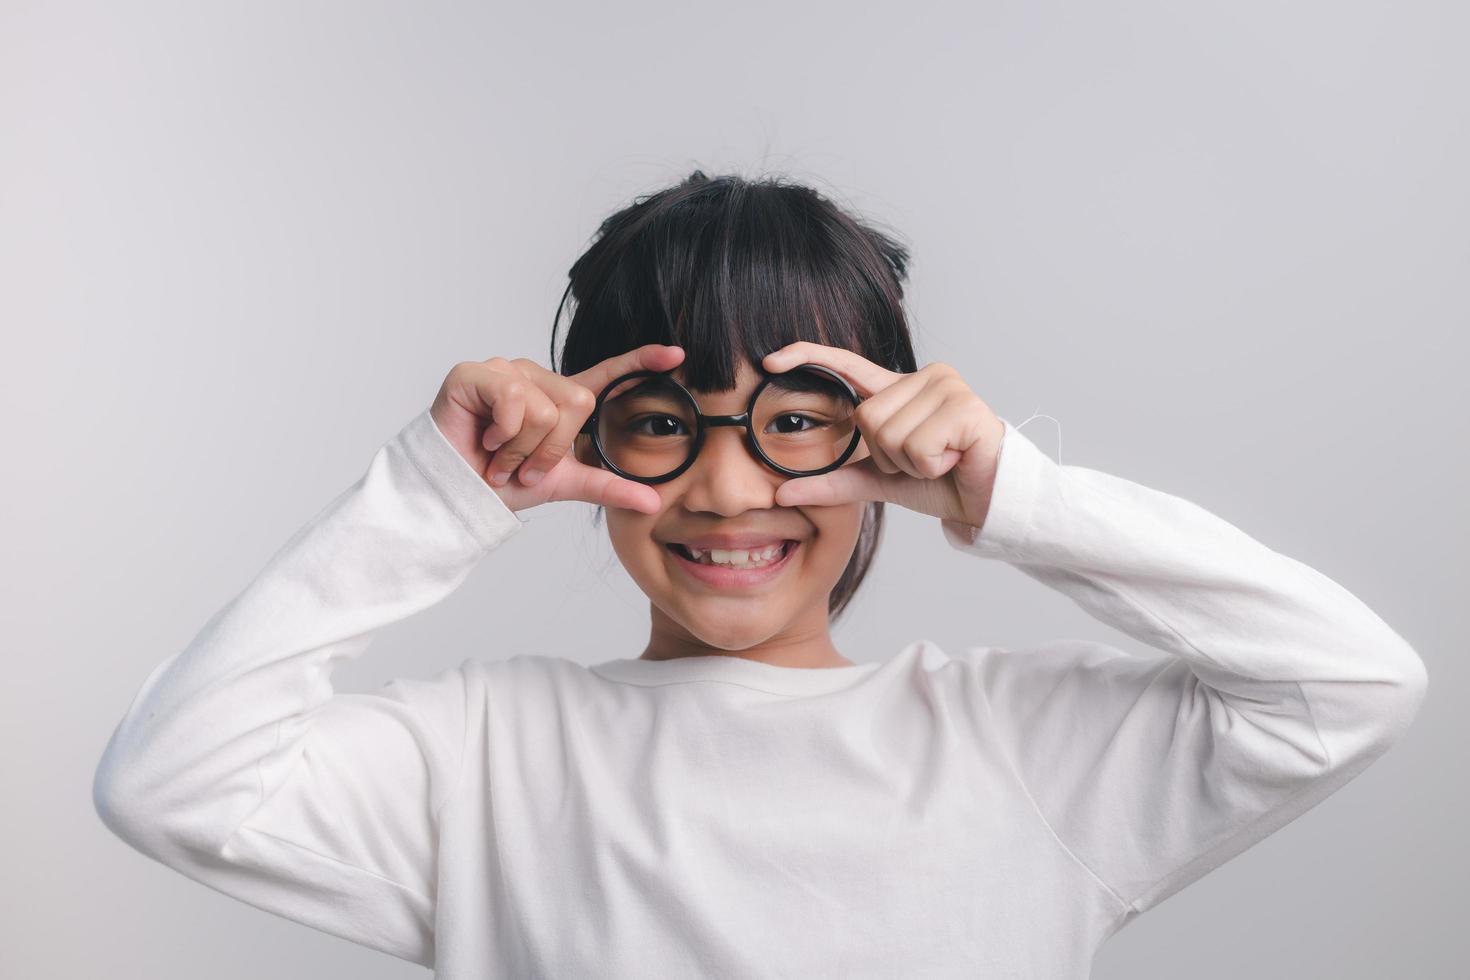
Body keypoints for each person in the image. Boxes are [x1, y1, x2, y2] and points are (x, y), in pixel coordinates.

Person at [92, 170, 1428, 978]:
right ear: (591, 434)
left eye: (795, 421)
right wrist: (436, 494)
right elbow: (173, 782)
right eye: (667, 422)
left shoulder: (1017, 747)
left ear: (886, 436)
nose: (729, 491)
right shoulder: (487, 756)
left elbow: (1347, 683)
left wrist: (1014, 494)